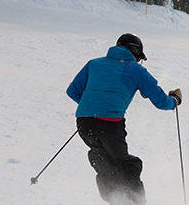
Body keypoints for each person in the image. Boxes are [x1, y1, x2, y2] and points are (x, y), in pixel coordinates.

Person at [66, 33, 181, 205]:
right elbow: (160, 101)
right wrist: (175, 101)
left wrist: (93, 107)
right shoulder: (135, 70)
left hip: (83, 122)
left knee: (103, 160)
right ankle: (136, 201)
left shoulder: (94, 64)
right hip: (110, 124)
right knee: (127, 165)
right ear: (135, 52)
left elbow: (72, 91)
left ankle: (115, 199)